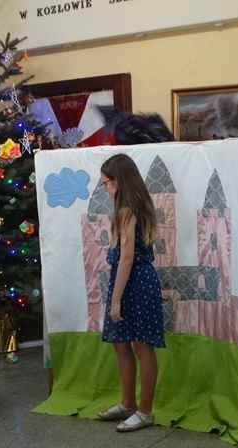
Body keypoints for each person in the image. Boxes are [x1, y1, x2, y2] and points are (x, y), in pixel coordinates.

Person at [97, 153, 165, 432]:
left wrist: (115, 300)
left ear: (119, 182)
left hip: (135, 281)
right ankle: (128, 403)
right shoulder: (134, 206)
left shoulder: (127, 210)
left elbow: (126, 258)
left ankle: (145, 411)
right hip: (132, 279)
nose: (105, 188)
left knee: (141, 346)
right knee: (122, 343)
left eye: (107, 183)